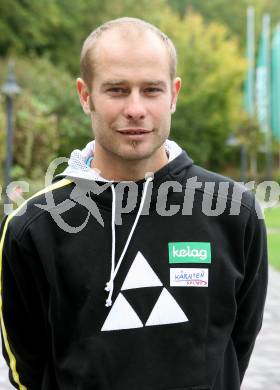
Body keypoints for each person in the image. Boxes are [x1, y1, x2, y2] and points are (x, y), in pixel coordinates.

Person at [0, 17, 268, 390]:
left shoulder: (234, 212)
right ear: (85, 95)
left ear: (174, 94)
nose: (136, 108)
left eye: (152, 90)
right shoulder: (35, 226)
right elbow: (27, 368)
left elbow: (236, 350)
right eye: (117, 90)